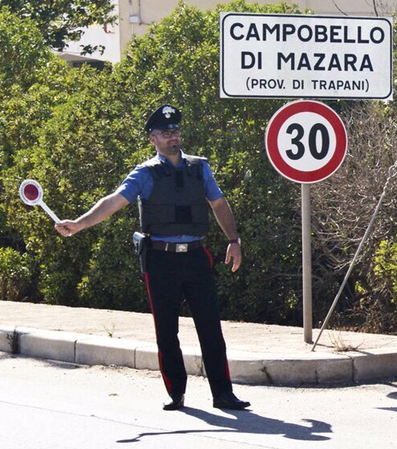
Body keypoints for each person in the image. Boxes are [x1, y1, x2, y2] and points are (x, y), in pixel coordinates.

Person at [54, 104, 251, 412]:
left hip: (197, 257)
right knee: (166, 330)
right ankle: (176, 393)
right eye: (165, 133)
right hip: (161, 261)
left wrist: (234, 240)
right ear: (153, 139)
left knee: (211, 327)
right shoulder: (145, 174)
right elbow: (114, 201)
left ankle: (223, 394)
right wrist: (79, 224)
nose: (173, 137)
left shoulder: (200, 167)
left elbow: (218, 203)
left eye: (176, 131)